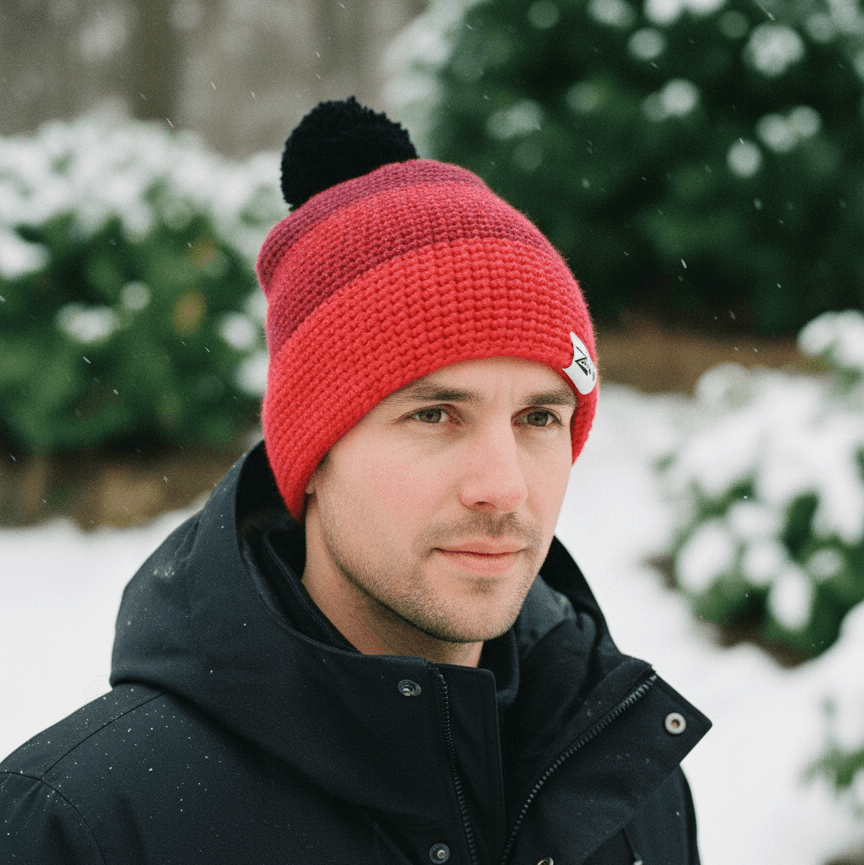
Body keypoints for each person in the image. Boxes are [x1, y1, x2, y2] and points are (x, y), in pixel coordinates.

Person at [0, 98, 710, 865]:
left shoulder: (625, 786)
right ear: (312, 455)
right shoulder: (88, 827)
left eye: (539, 418)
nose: (503, 486)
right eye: (435, 414)